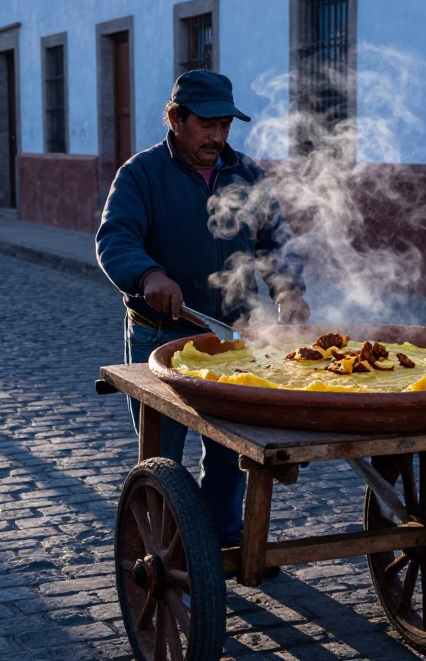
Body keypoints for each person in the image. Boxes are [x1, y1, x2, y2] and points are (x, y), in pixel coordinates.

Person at [96, 69, 309, 549]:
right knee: (163, 457)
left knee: (234, 449)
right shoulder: (140, 174)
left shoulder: (247, 174)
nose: (218, 136)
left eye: (225, 125)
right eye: (206, 124)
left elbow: (276, 242)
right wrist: (148, 275)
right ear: (175, 118)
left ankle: (226, 543)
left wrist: (288, 290)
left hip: (235, 338)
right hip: (160, 337)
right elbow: (115, 239)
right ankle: (167, 550)